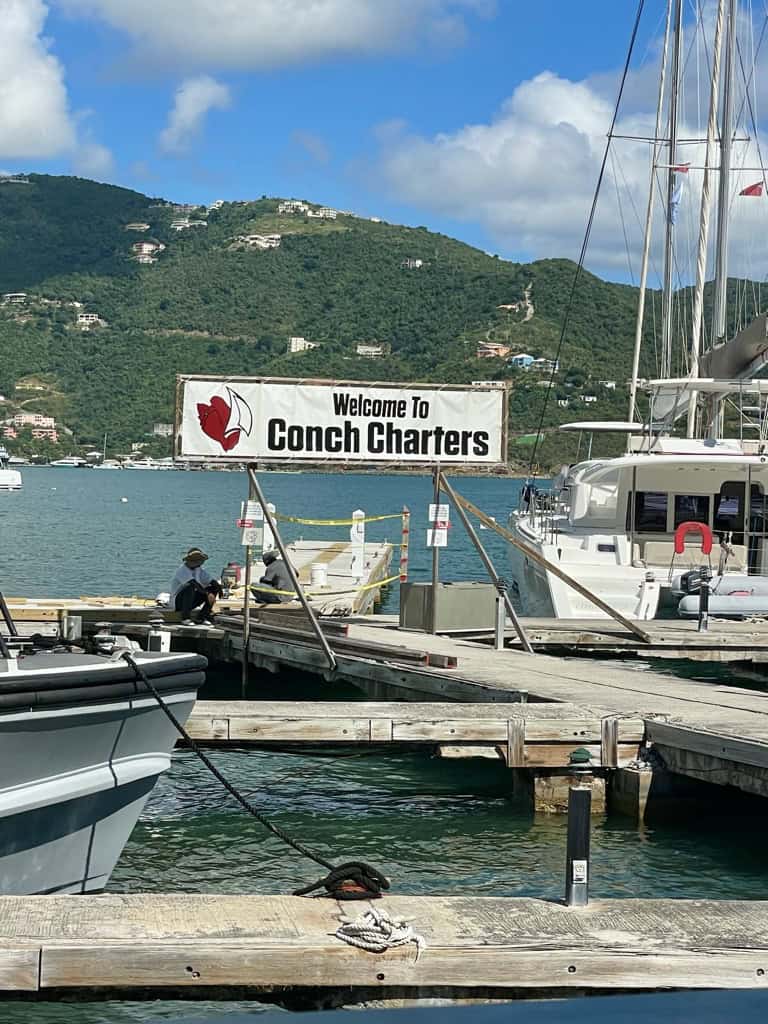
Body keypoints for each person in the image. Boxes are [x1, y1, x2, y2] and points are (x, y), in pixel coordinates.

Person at [170, 547, 223, 624]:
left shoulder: (198, 569)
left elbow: (211, 580)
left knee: (213, 588)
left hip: (191, 601)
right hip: (178, 603)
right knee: (190, 587)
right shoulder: (182, 570)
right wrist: (208, 594)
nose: (202, 563)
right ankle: (185, 618)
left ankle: (202, 616)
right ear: (193, 561)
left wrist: (219, 589)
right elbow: (195, 584)